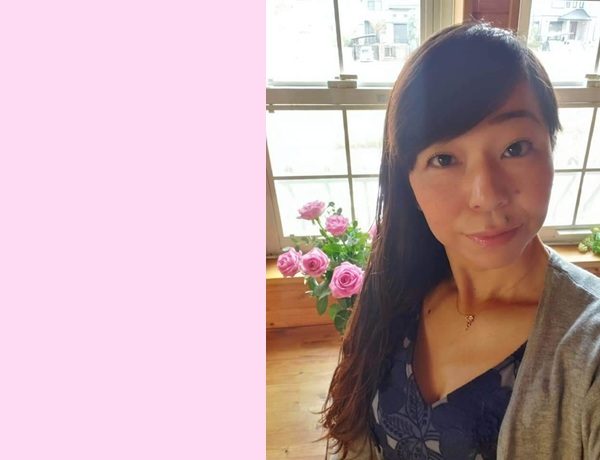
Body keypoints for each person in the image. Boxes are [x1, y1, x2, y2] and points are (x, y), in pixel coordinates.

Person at [321, 22, 600, 459]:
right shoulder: (397, 291)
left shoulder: (588, 348)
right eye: (444, 158)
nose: (486, 195)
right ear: (407, 179)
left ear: (551, 145)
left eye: (515, 148)